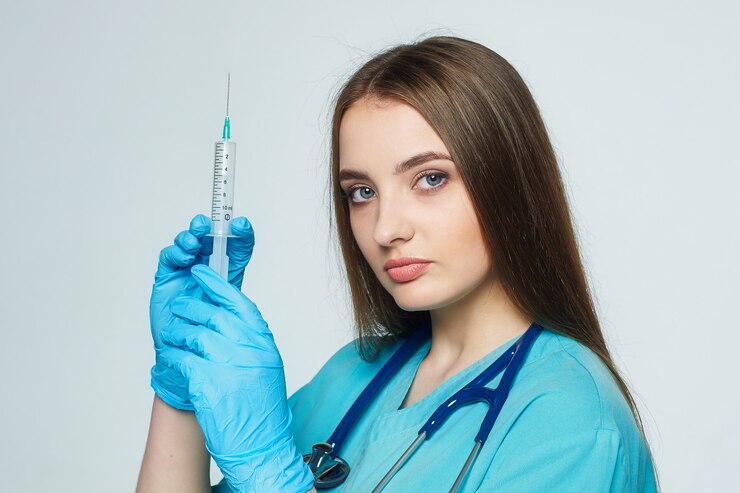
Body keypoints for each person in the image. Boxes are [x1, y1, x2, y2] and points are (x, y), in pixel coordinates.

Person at [136, 36, 657, 492]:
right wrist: (183, 379)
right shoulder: (354, 375)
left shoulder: (570, 421)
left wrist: (271, 472)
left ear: (509, 182)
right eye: (361, 192)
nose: (385, 229)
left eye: (430, 178)